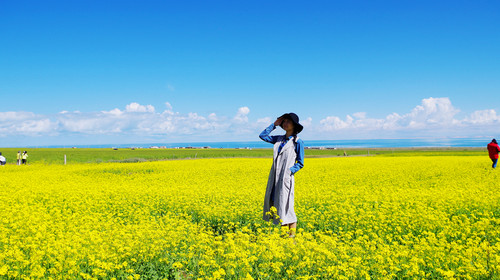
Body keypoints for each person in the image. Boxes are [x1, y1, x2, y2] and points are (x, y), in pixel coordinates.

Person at [259, 112, 304, 238]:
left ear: (294, 125)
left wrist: (289, 171)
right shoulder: (278, 139)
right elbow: (262, 136)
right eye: (284, 121)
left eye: (288, 121)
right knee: (279, 205)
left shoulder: (297, 142)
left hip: (286, 179)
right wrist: (274, 124)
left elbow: (300, 163)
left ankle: (292, 237)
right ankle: (285, 237)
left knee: (287, 206)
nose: (285, 123)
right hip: (275, 178)